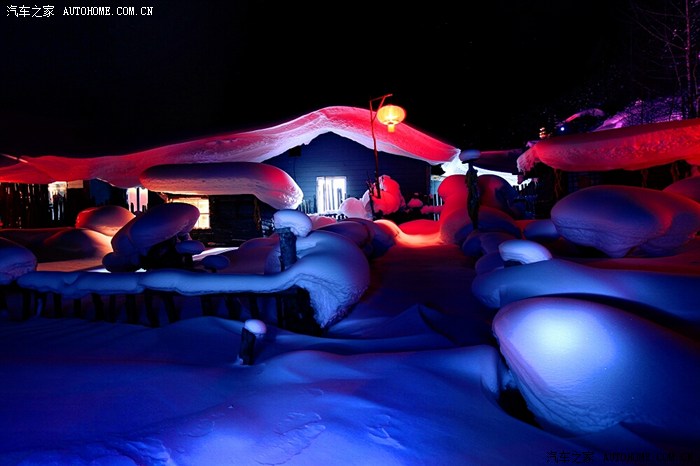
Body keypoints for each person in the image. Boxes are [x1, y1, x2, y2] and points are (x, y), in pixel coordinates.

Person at [466, 162, 480, 230]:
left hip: (473, 195)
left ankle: (475, 226)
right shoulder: (473, 186)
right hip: (473, 195)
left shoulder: (473, 186)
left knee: (472, 210)